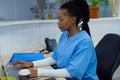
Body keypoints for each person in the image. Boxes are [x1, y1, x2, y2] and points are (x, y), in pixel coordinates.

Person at [13, 0, 99, 80]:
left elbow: (71, 72)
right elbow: (55, 58)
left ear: (73, 19)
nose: (58, 22)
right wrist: (32, 64)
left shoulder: (84, 42)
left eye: (61, 19)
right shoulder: (64, 35)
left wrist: (39, 72)